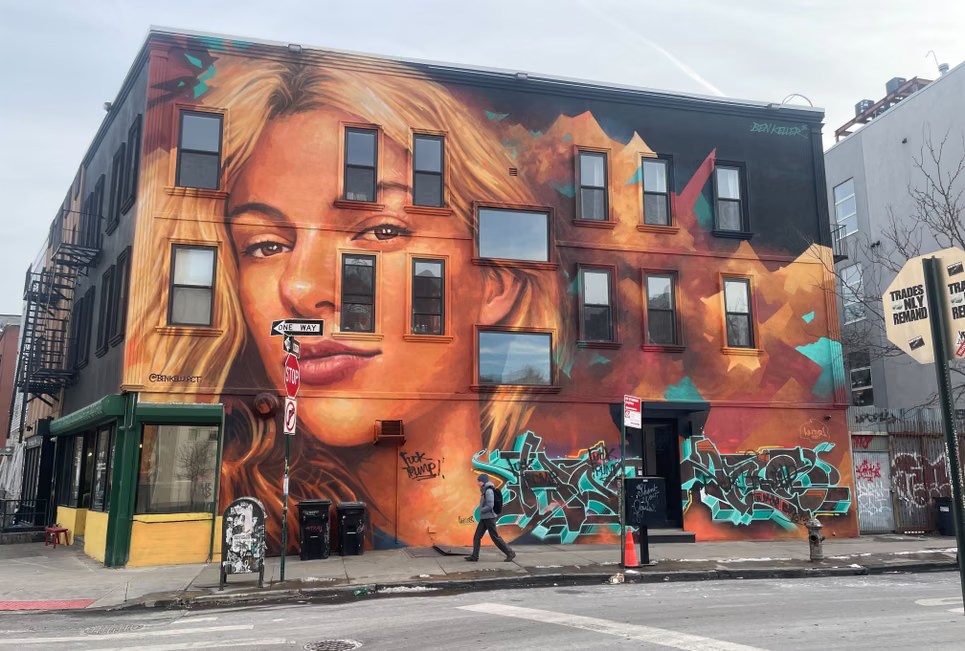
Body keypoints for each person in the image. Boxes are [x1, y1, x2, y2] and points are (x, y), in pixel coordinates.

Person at [132, 45, 570, 552]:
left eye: (381, 231)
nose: (300, 289)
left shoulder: (560, 517)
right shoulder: (250, 514)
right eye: (265, 246)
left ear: (495, 282)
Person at [465, 474, 516, 562]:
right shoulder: (485, 490)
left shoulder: (488, 491)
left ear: (483, 481)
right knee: (477, 536)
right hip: (484, 518)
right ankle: (474, 556)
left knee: (495, 537)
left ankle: (510, 553)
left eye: (479, 481)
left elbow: (490, 505)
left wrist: (481, 510)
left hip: (489, 518)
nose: (478, 483)